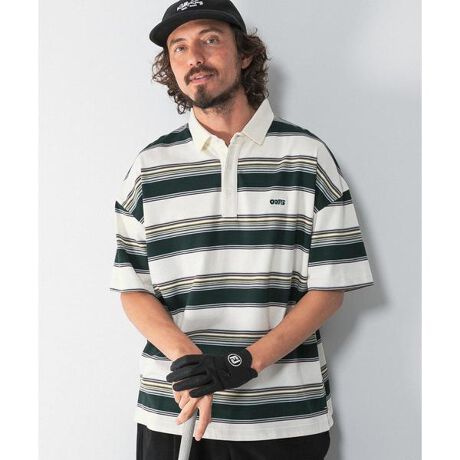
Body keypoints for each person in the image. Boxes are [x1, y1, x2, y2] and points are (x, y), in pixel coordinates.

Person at [109, 1, 375, 459]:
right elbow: (134, 289)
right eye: (179, 47)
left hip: (284, 417)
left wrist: (244, 363)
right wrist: (189, 361)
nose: (194, 57)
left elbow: (330, 288)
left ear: (245, 54)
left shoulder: (307, 156)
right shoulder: (148, 167)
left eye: (210, 40)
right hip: (175, 415)